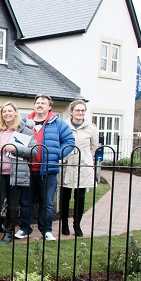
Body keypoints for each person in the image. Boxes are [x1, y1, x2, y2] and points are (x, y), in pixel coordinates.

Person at [17, 94, 75, 241]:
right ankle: (25, 229)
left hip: (48, 171)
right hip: (27, 169)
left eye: (43, 103)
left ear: (49, 107)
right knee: (25, 202)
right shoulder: (24, 122)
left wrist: (57, 154)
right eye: (37, 102)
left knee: (47, 203)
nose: (40, 105)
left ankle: (47, 230)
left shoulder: (58, 124)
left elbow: (69, 141)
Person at [0, 103, 37, 244]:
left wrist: (15, 149)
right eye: (4, 111)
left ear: (15, 112)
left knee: (13, 204)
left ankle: (8, 232)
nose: (7, 113)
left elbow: (34, 151)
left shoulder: (25, 130)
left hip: (16, 173)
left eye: (10, 111)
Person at [59, 100, 99, 237]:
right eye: (77, 110)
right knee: (65, 196)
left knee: (80, 196)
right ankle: (64, 224)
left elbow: (94, 147)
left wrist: (86, 157)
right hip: (67, 163)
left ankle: (77, 225)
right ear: (71, 111)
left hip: (83, 165)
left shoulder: (91, 128)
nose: (80, 113)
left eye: (82, 110)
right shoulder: (64, 126)